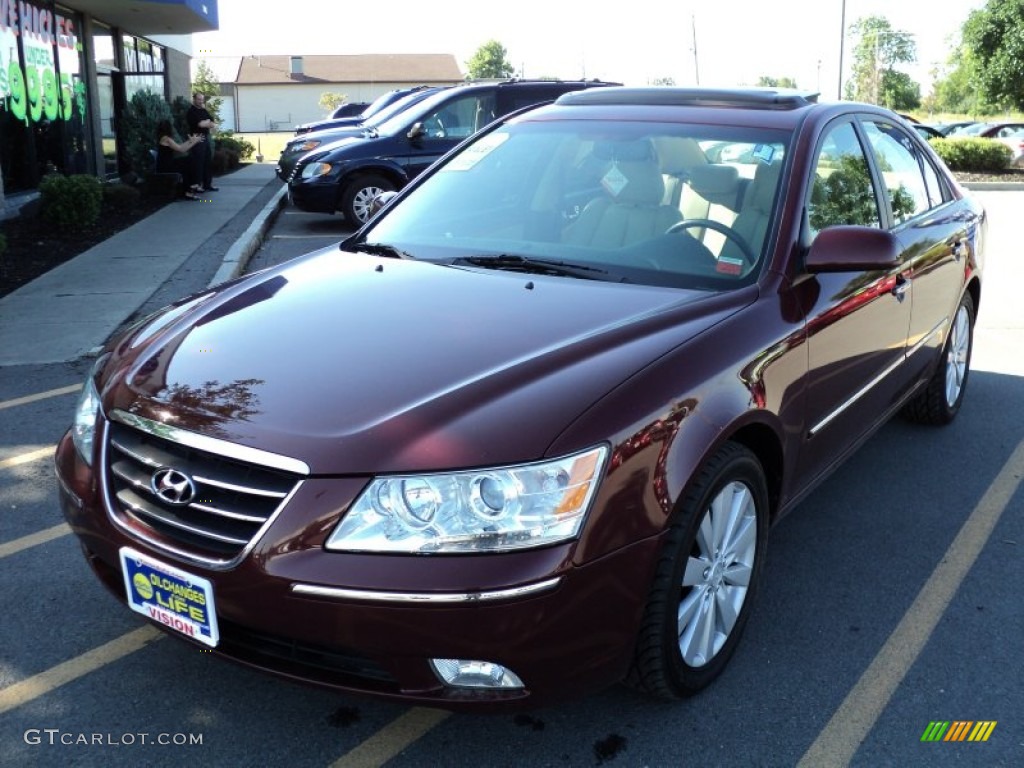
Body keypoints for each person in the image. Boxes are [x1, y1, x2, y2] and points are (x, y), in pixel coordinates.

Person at [155, 120, 203, 200]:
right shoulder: (166, 139)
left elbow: (180, 146)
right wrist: (194, 142)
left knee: (188, 161)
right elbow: (181, 149)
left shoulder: (164, 138)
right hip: (165, 166)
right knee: (188, 161)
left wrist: (191, 141)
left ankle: (189, 189)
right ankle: (192, 186)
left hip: (167, 164)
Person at [186, 92, 218, 192]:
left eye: (202, 99)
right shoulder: (191, 112)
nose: (201, 101)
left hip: (205, 138)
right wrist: (206, 123)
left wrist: (207, 123)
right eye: (199, 99)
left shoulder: (204, 110)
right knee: (198, 163)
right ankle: (197, 185)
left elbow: (212, 123)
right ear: (194, 99)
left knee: (207, 161)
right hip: (197, 139)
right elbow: (199, 124)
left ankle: (207, 184)